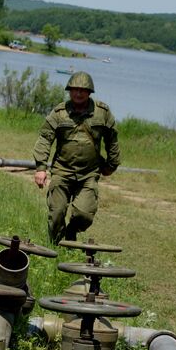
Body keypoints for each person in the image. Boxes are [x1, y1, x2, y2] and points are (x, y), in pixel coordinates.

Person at [33, 71, 120, 244]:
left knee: (84, 215)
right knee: (56, 213)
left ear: (89, 92)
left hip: (89, 174)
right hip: (62, 171)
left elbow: (112, 139)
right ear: (69, 91)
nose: (78, 93)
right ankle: (57, 247)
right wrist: (41, 168)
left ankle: (71, 231)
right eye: (74, 90)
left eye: (82, 90)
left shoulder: (102, 112)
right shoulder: (59, 113)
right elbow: (45, 138)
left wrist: (112, 164)